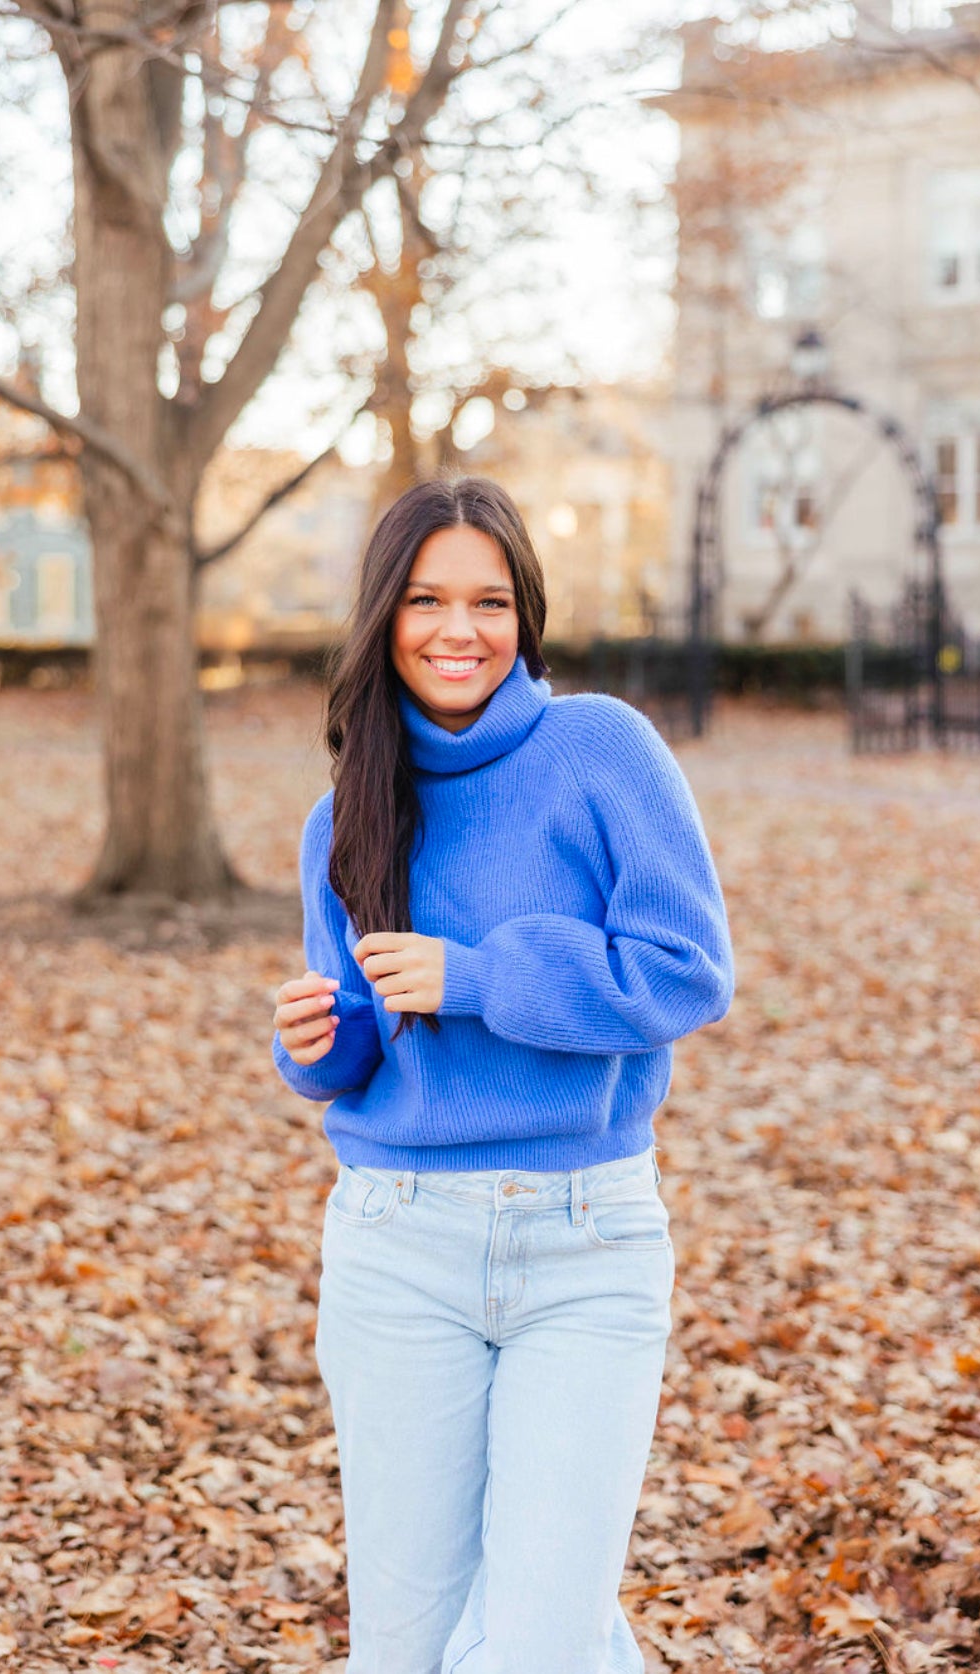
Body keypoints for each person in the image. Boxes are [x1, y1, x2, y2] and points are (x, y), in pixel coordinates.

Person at [272, 477, 733, 1674]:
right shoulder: (347, 816)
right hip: (397, 1245)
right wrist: (314, 1046)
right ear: (385, 618)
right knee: (407, 1647)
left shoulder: (601, 750)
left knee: (535, 1643)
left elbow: (686, 971)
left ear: (524, 613)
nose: (458, 631)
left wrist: (481, 976)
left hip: (587, 1243)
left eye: (488, 601)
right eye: (426, 600)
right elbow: (364, 1032)